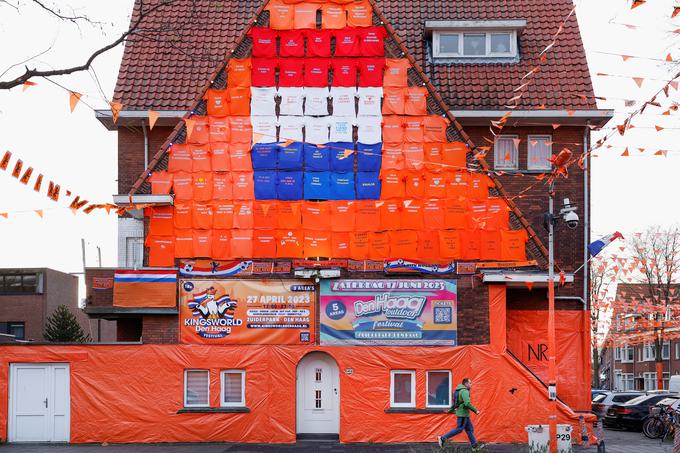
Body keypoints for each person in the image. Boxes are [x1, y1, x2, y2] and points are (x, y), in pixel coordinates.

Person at [438, 378, 482, 449]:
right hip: (463, 414)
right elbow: (467, 403)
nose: (471, 385)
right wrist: (475, 410)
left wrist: (450, 410)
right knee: (459, 429)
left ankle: (474, 446)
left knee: (469, 429)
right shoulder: (464, 391)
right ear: (466, 384)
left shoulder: (457, 391)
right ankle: (442, 438)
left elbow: (456, 403)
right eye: (470, 383)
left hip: (464, 414)